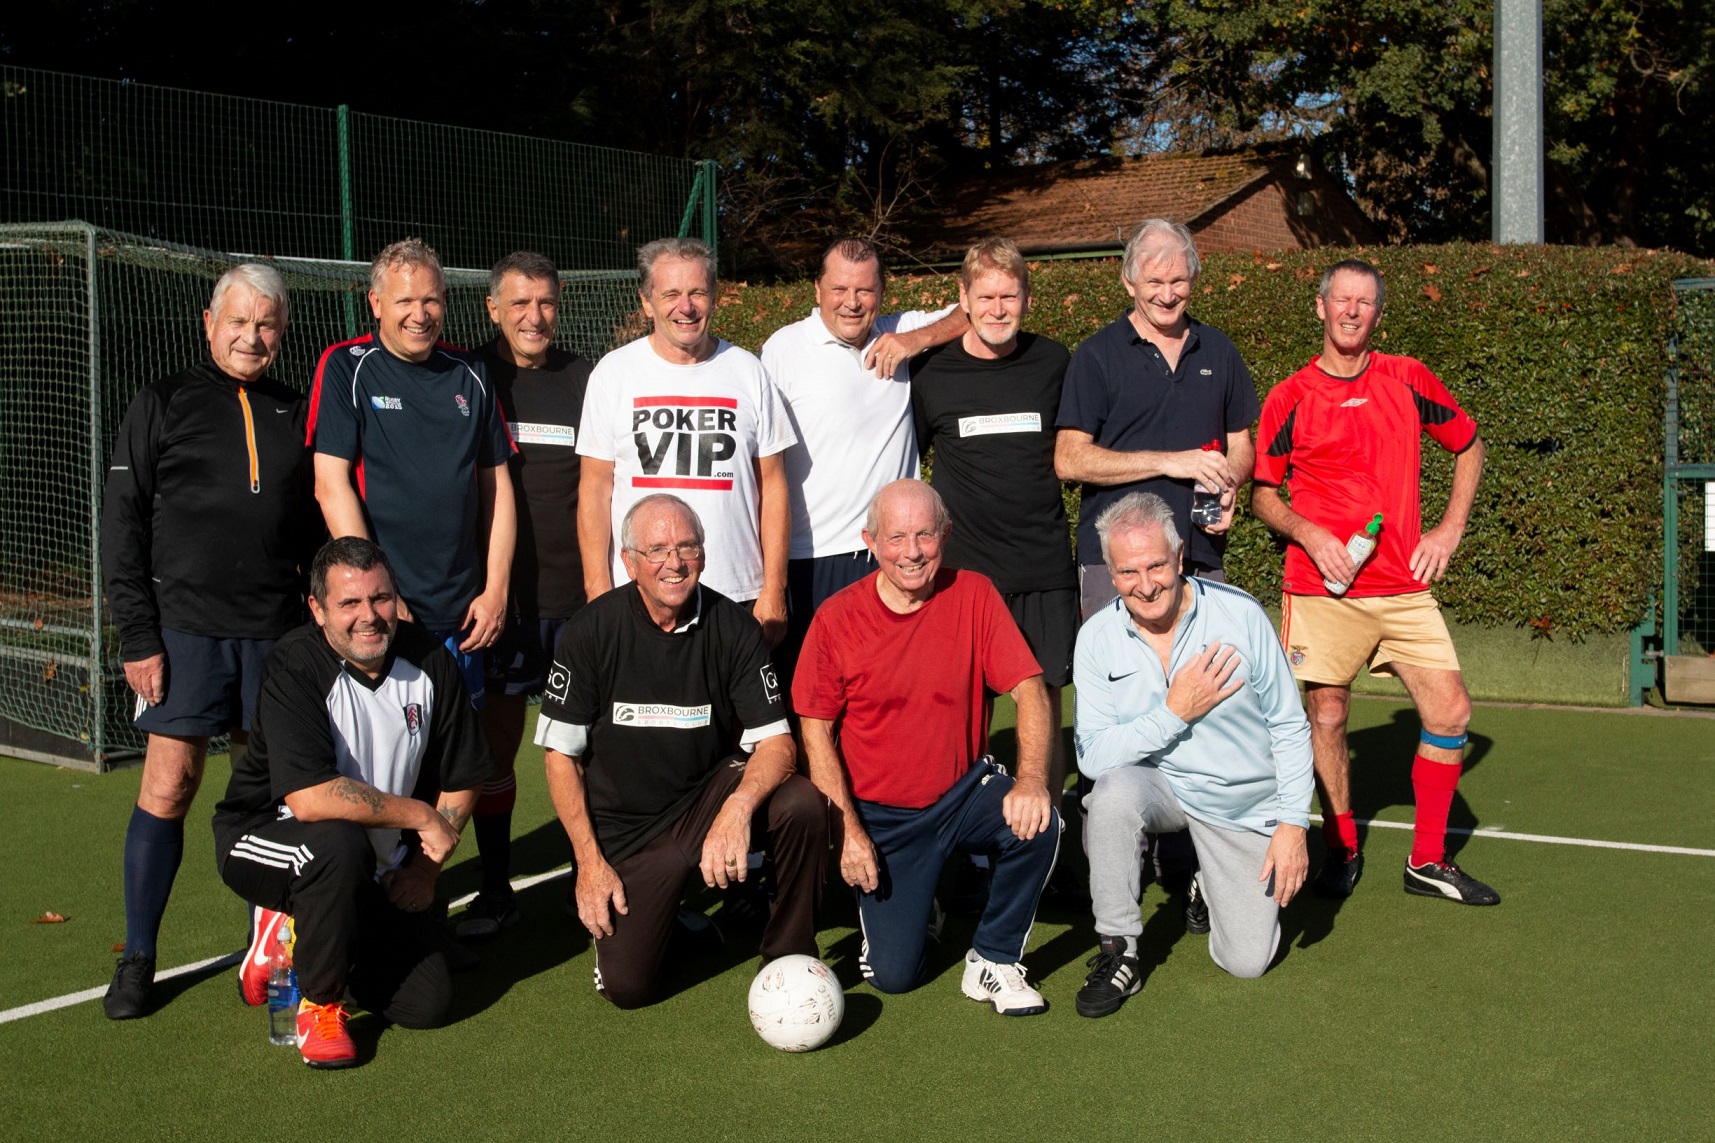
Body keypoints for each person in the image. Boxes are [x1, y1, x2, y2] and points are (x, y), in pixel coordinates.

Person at [99, 263, 316, 1020]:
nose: (251, 336)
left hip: (276, 631)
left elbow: (316, 524)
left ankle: (274, 941)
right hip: (182, 630)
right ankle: (137, 957)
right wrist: (138, 634)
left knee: (277, 789)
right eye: (238, 321)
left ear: (282, 332)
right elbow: (122, 520)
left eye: (266, 324)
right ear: (208, 322)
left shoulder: (298, 409)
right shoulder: (163, 400)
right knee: (170, 782)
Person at [1251, 258, 1497, 906]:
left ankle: (1427, 860)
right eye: (1341, 299)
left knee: (1450, 709)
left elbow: (1468, 445)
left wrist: (1446, 529)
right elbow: (1261, 493)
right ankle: (1341, 846)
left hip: (1402, 588)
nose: (1351, 310)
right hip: (1320, 589)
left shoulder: (1407, 377)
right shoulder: (1288, 395)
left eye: (1364, 302)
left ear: (1377, 315)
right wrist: (1307, 532)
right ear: (1320, 307)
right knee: (1326, 713)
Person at [535, 494, 826, 1008]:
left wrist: (737, 809)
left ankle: (790, 957)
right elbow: (561, 758)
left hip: (707, 798)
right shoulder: (589, 632)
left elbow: (779, 743)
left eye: (687, 546)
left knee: (800, 803)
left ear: (704, 554)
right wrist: (589, 863)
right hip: (628, 833)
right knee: (628, 988)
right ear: (628, 562)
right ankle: (676, 921)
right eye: (657, 550)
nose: (675, 562)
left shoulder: (734, 627)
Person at [212, 538, 492, 1068]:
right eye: (349, 604)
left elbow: (465, 773)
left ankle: (303, 944)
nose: (369, 617)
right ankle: (318, 1002)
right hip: (265, 838)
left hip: (370, 866)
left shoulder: (430, 659)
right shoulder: (294, 665)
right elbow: (311, 798)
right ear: (317, 609)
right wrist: (420, 816)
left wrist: (425, 874)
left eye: (381, 599)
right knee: (336, 846)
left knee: (428, 1002)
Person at [794, 479, 1061, 1014]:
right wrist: (849, 832)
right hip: (882, 818)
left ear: (946, 534)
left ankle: (994, 958)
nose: (912, 552)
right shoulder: (836, 618)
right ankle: (927, 902)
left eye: (924, 535)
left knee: (1039, 823)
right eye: (896, 538)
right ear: (870, 542)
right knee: (893, 977)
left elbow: (1029, 689)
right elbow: (815, 731)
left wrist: (1032, 782)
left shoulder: (975, 593)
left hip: (963, 795)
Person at [1071, 493, 1312, 1016]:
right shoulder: (1094, 638)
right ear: (1111, 575)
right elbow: (1092, 755)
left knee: (1246, 961)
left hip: (1239, 803)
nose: (1146, 584)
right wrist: (1175, 713)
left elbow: (1290, 726)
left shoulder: (1240, 615)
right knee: (1110, 794)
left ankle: (1205, 882)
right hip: (1162, 788)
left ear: (1180, 557)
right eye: (1128, 571)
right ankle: (1119, 950)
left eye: (1156, 565)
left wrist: (1293, 825)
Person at [308, 237, 517, 706]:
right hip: (382, 616)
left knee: (461, 763)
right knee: (386, 766)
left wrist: (495, 592)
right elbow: (330, 485)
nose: (419, 314)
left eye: (430, 300)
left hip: (465, 616)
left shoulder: (472, 373)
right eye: (405, 301)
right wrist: (380, 595)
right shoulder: (347, 367)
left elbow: (498, 489)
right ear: (376, 303)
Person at [456, 251, 593, 940]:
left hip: (578, 602)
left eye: (543, 302)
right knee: (494, 750)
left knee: (587, 749)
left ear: (558, 301)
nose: (532, 317)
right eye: (518, 304)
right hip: (500, 607)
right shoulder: (467, 376)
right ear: (492, 308)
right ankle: (493, 887)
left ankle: (591, 879)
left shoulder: (584, 378)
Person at [760, 237, 967, 686]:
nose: (852, 303)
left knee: (892, 692)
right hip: (809, 559)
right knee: (812, 697)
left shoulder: (898, 330)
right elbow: (762, 461)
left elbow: (972, 308)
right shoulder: (783, 349)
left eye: (865, 291)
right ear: (817, 290)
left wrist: (914, 340)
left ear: (882, 293)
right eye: (839, 289)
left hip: (887, 557)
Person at [912, 237, 1076, 796]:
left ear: (1027, 298)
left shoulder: (1055, 361)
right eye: (986, 296)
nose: (998, 308)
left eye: (1009, 296)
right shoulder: (931, 374)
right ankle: (971, 844)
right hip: (965, 576)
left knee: (1045, 704)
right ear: (963, 297)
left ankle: (1049, 839)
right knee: (965, 710)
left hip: (1044, 570)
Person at [577, 237, 793, 647]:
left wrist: (773, 591)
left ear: (714, 298)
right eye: (671, 293)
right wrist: (598, 589)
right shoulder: (613, 373)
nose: (686, 306)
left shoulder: (748, 372)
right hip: (638, 596)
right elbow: (595, 488)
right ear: (646, 302)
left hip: (734, 594)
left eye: (697, 292)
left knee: (733, 713)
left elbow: (775, 486)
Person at [1055, 218, 1259, 616]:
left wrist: (1229, 481)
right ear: (1128, 282)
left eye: (1178, 281)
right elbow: (1068, 459)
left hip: (1199, 553)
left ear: (1194, 278)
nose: (1167, 295)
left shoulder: (1219, 351)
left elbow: (1241, 445)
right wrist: (1170, 462)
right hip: (1117, 565)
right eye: (1154, 283)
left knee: (1205, 676)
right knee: (1122, 678)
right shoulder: (1097, 356)